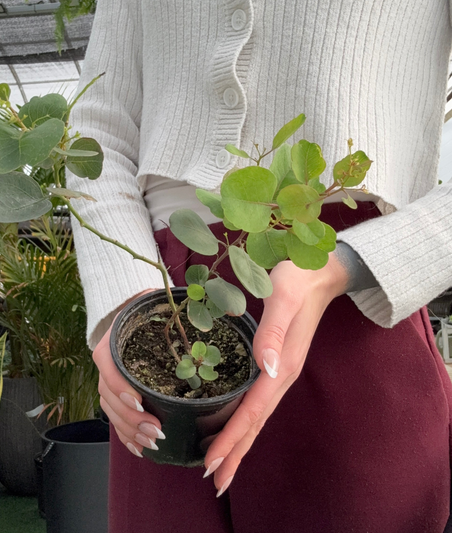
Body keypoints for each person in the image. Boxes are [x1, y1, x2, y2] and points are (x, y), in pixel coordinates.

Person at [67, 1, 452, 531]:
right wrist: (123, 307)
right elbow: (98, 132)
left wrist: (344, 265)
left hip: (354, 300)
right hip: (160, 315)